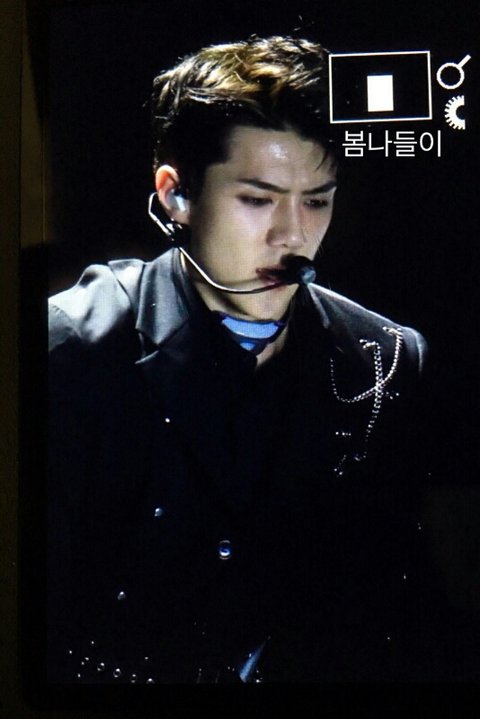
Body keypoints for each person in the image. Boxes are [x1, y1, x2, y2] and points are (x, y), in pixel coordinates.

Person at [48, 36, 436, 684]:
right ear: (175, 193)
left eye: (318, 199)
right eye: (258, 199)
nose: (294, 236)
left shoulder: (385, 360)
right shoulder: (70, 352)